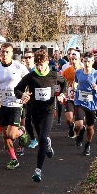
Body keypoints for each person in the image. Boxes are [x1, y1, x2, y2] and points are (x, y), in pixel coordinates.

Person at [14, 49, 66, 183]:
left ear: (47, 63)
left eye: (41, 64)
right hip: (34, 111)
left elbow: (64, 82)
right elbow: (17, 89)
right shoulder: (31, 76)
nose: (39, 67)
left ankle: (38, 170)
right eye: (37, 65)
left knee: (42, 138)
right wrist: (22, 95)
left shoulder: (53, 75)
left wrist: (61, 94)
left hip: (48, 111)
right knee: (41, 137)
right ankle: (47, 144)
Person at [0, 43, 30, 170]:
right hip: (2, 105)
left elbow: (30, 80)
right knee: (5, 135)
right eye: (3, 52)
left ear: (12, 53)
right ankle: (13, 159)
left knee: (11, 134)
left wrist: (26, 94)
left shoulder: (19, 67)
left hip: (16, 104)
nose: (5, 54)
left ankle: (21, 132)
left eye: (7, 52)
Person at [73, 52, 97, 156]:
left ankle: (87, 144)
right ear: (82, 61)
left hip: (91, 104)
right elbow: (75, 82)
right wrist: (74, 86)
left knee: (90, 127)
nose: (87, 64)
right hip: (79, 101)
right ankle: (81, 131)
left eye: (89, 61)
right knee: (78, 125)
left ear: (93, 62)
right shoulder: (78, 72)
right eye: (85, 61)